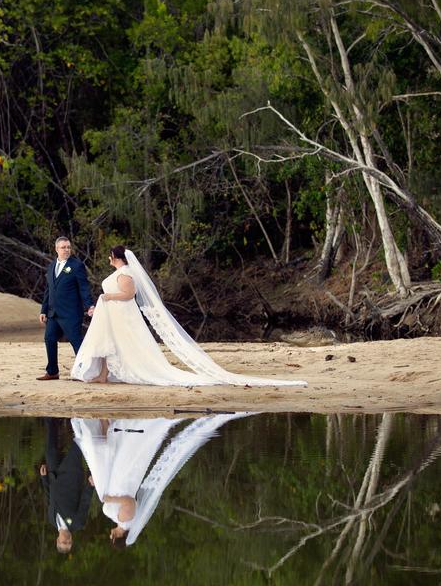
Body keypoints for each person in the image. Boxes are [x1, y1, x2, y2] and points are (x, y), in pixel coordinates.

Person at [69, 246, 306, 386]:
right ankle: (103, 373)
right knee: (111, 344)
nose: (109, 259)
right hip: (114, 316)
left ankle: (105, 374)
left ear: (116, 257)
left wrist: (107, 298)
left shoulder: (125, 273)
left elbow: (128, 294)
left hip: (121, 314)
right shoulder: (121, 271)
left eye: (111, 256)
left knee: (120, 345)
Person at [72, 413, 249, 548]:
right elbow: (128, 501)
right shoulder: (126, 520)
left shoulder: (119, 520)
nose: (109, 535)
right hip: (123, 480)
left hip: (114, 481)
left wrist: (100, 486)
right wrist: (110, 499)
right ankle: (110, 420)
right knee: (120, 451)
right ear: (116, 537)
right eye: (111, 538)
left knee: (108, 453)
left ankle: (104, 419)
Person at [37, 236, 94, 381]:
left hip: (71, 312)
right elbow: (48, 290)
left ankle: (84, 371)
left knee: (76, 341)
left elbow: (84, 287)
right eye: (63, 247)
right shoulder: (51, 266)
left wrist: (89, 305)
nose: (67, 250)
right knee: (49, 338)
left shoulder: (76, 266)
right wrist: (43, 310)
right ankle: (52, 371)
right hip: (53, 312)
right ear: (56, 249)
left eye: (68, 247)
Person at [38, 417, 94, 553]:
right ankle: (83, 417)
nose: (67, 540)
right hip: (71, 474)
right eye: (69, 543)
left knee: (50, 447)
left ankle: (51, 418)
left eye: (64, 542)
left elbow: (49, 496)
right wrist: (90, 485)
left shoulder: (51, 519)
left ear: (57, 540)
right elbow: (84, 502)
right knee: (78, 443)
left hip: (53, 474)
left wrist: (44, 478)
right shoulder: (78, 523)